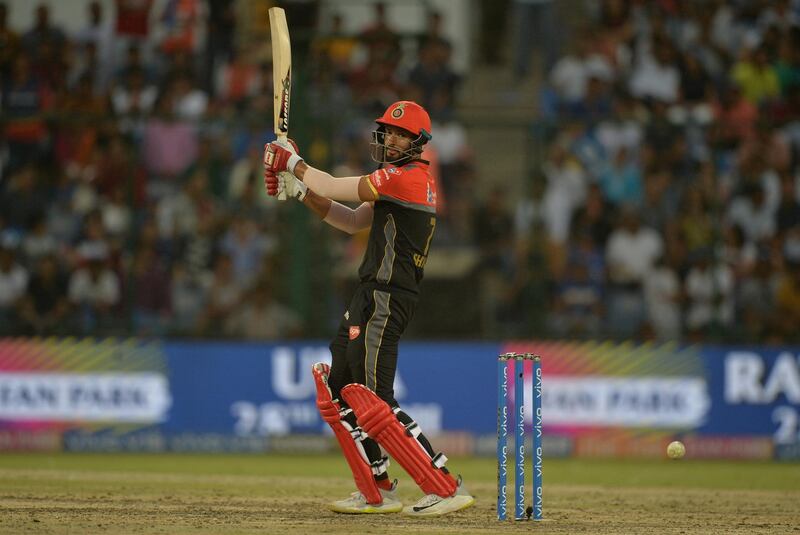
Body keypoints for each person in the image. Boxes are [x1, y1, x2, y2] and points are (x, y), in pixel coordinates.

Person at [263, 101, 474, 516]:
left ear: (419, 142)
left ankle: (445, 487)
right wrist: (303, 191)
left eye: (401, 134)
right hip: (369, 293)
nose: (392, 139)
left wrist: (293, 164)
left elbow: (334, 186)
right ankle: (376, 487)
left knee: (375, 397)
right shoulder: (397, 181)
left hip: (388, 295)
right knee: (342, 388)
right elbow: (350, 220)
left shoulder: (405, 178)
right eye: (388, 132)